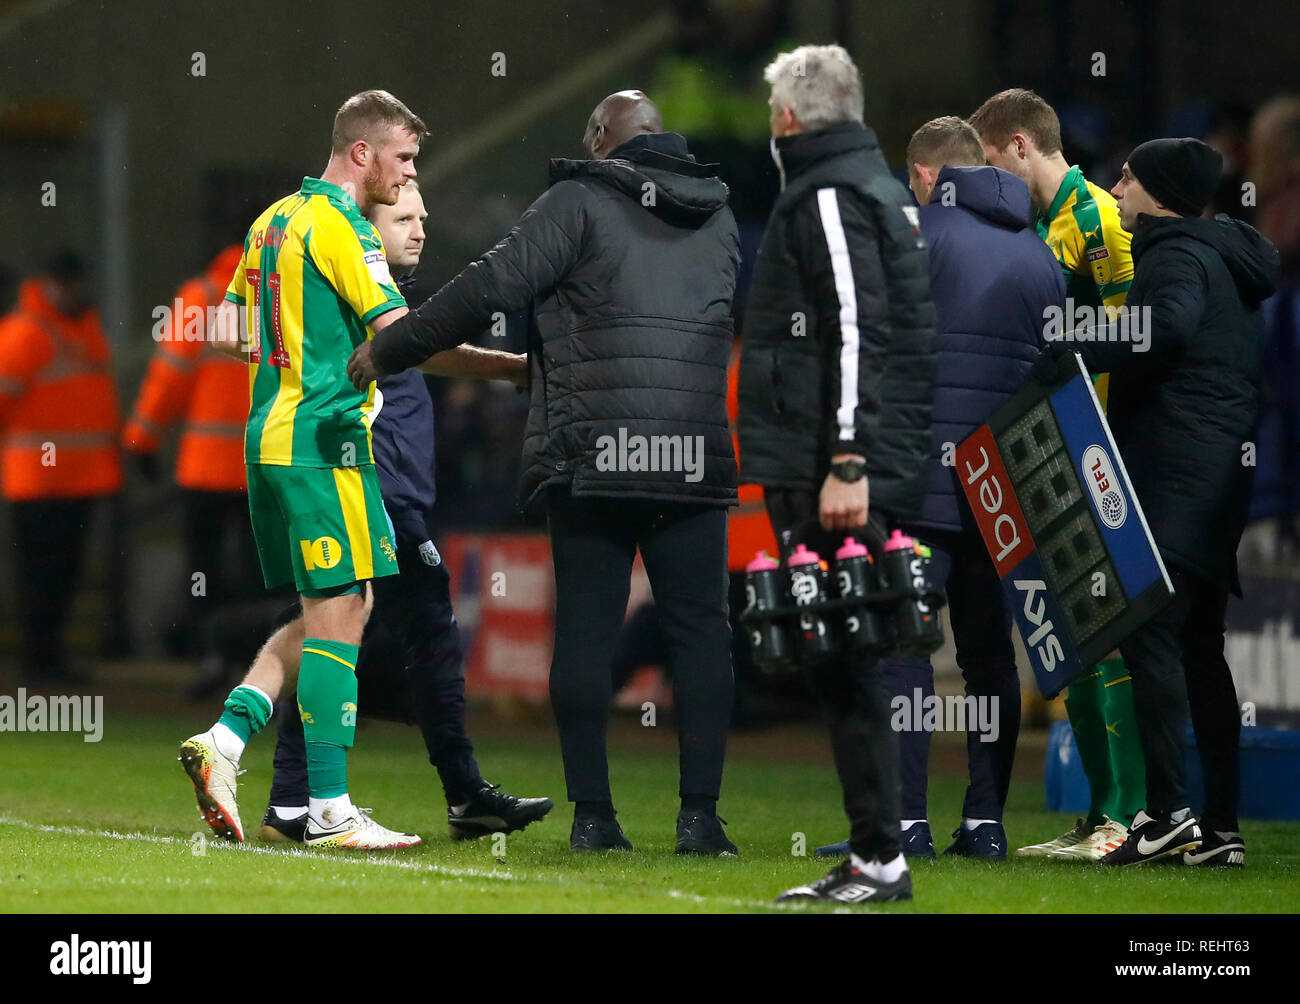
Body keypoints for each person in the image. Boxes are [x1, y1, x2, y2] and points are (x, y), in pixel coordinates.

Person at [349, 90, 742, 856]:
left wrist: (393, 348)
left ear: (600, 137)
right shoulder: (719, 214)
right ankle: (701, 819)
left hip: (595, 452)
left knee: (588, 636)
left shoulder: (579, 200)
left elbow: (488, 287)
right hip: (692, 456)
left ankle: (595, 818)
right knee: (702, 636)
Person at [256, 179, 554, 844]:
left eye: (424, 218)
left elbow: (425, 347)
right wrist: (511, 363)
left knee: (354, 640)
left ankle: (290, 800)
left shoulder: (387, 308)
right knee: (408, 637)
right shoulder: (355, 292)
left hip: (387, 491)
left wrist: (505, 368)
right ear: (365, 229)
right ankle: (453, 793)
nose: (421, 229)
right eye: (404, 218)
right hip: (373, 490)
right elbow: (419, 344)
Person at [178, 90, 425, 851]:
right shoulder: (346, 227)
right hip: (326, 443)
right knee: (345, 611)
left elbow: (221, 330)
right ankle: (328, 810)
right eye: (404, 159)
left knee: (336, 612)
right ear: (363, 154)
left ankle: (228, 738)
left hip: (268, 439)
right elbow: (399, 334)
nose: (409, 176)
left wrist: (294, 345)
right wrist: (502, 356)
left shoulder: (274, 218)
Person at [816, 117, 1063, 863]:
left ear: (924, 177)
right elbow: (1056, 378)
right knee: (991, 661)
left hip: (918, 484)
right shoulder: (1040, 255)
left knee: (905, 652)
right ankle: (985, 825)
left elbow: (867, 357)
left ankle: (905, 824)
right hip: (1004, 494)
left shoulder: (912, 238)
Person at [1040, 138, 1279, 866]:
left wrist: (1077, 349)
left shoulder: (1174, 253)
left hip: (1174, 473)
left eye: (1129, 176)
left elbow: (1166, 327)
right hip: (1216, 478)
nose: (1116, 187)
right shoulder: (1228, 257)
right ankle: (1220, 829)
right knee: (1202, 649)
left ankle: (1169, 812)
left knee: (1151, 635)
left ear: (1162, 191)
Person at [737, 45, 936, 903]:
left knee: (847, 654)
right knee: (848, 654)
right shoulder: (874, 184)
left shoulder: (826, 193)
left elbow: (857, 329)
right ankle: (875, 852)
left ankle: (879, 858)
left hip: (835, 462)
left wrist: (847, 459)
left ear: (788, 118)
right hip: (848, 454)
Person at [971, 87, 1144, 860]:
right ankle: (1094, 814)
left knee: (1108, 637)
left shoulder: (1100, 219)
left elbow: (1134, 336)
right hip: (1048, 453)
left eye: (986, 159)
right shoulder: (1035, 226)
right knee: (1072, 641)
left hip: (1097, 453)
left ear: (1016, 145)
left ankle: (1128, 815)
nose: (986, 176)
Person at [122, 242, 262, 695]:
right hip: (266, 463)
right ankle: (261, 665)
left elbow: (170, 375)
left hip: (204, 469)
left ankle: (211, 659)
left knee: (206, 570)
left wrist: (142, 440)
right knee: (261, 570)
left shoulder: (201, 295)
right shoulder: (285, 292)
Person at [0, 250, 124, 682]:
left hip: (80, 480)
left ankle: (48, 659)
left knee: (63, 577)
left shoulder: (85, 333)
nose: (71, 291)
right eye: (64, 283)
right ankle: (38, 660)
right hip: (36, 481)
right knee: (41, 577)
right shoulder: (24, 334)